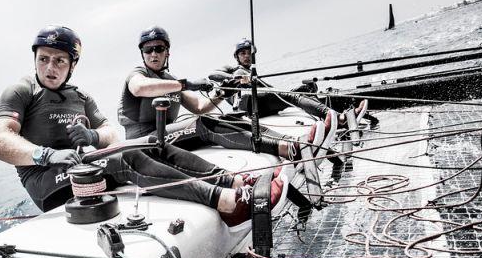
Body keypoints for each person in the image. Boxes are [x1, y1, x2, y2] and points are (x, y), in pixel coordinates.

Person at [0, 25, 275, 228]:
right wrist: (46, 155)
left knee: (152, 146)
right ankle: (225, 202)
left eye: (60, 60)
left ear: (72, 65)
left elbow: (110, 134)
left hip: (81, 169)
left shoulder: (81, 96)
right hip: (47, 184)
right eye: (44, 59)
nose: (50, 68)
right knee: (126, 158)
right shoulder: (22, 90)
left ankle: (232, 182)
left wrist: (92, 135)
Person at [117, 26, 330, 161]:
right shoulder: (138, 74)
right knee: (202, 124)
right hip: (144, 144)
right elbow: (139, 87)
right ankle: (286, 149)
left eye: (159, 48)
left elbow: (200, 107)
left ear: (167, 52)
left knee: (225, 117)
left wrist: (221, 92)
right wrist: (186, 84)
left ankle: (291, 142)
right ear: (142, 53)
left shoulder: (170, 80)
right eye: (148, 49)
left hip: (169, 138)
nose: (153, 53)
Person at [210, 38, 372, 128]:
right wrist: (236, 77)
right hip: (250, 105)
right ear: (237, 56)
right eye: (243, 53)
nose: (247, 56)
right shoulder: (234, 69)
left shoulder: (253, 72)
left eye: (249, 53)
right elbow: (212, 75)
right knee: (293, 96)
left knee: (306, 88)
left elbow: (270, 90)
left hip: (262, 101)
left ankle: (326, 119)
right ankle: (338, 118)